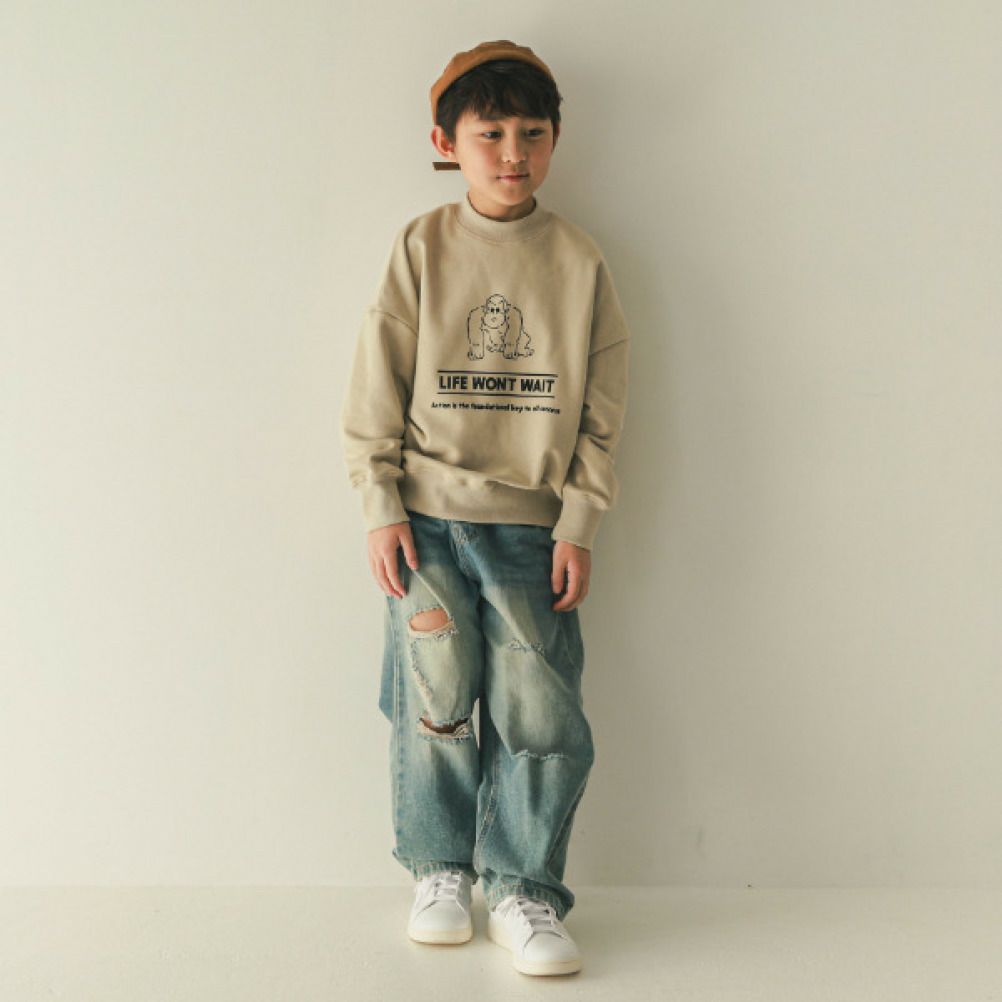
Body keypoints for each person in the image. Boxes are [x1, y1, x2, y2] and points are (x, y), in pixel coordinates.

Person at [339, 39, 631, 977]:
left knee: (538, 710)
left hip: (531, 529)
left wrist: (580, 520)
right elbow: (376, 384)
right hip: (424, 522)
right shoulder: (422, 248)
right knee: (436, 700)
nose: (513, 153)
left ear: (555, 140)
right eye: (491, 133)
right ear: (447, 142)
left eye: (532, 134)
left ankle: (524, 888)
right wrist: (380, 504)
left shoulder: (578, 261)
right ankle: (440, 872)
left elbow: (603, 409)